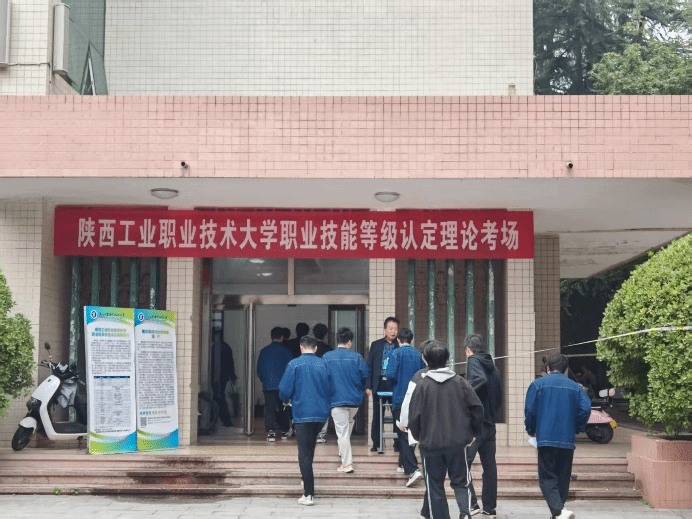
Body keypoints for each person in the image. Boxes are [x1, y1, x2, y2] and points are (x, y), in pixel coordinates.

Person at [407, 340, 484, 519]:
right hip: (457, 444)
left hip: (430, 445)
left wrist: (419, 436)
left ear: (425, 359)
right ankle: (465, 513)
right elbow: (477, 408)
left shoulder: (422, 385)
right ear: (447, 359)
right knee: (461, 482)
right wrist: (473, 433)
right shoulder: (460, 382)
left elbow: (414, 416)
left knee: (434, 486)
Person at [524, 353, 591, 519]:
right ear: (565, 369)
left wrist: (531, 429)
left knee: (547, 478)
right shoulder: (576, 387)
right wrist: (577, 426)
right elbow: (586, 409)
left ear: (548, 368)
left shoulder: (537, 385)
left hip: (546, 439)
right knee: (563, 477)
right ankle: (559, 512)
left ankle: (558, 511)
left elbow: (530, 410)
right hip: (567, 440)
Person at [279, 334, 332, 507]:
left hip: (302, 414)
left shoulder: (294, 364)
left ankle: (308, 494)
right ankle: (306, 479)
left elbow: (284, 390)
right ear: (315, 348)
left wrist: (286, 400)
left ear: (301, 348)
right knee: (310, 449)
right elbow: (330, 388)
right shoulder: (323, 364)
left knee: (304, 453)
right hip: (321, 414)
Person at [464, 333, 503, 518]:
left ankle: (472, 504)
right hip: (490, 424)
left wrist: (463, 393)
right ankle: (490, 507)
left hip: (475, 425)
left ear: (468, 350)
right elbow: (498, 395)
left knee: (463, 465)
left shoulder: (473, 361)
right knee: (489, 466)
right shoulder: (493, 367)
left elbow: (479, 380)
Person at [322, 327, 368, 473]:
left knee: (342, 431)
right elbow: (365, 376)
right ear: (349, 341)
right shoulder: (357, 357)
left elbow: (322, 378)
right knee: (348, 423)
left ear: (337, 340)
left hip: (336, 399)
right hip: (354, 400)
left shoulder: (327, 357)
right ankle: (343, 449)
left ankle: (347, 464)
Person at [386, 327, 425, 487]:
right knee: (412, 431)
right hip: (416, 399)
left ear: (398, 340)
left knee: (402, 433)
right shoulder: (418, 355)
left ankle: (412, 469)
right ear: (412, 340)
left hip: (400, 398)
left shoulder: (395, 354)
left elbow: (390, 375)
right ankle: (402, 463)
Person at [365, 316, 400, 452]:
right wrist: (368, 386)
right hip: (379, 383)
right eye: (390, 328)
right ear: (385, 329)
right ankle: (377, 443)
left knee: (397, 414)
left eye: (395, 329)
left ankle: (398, 443)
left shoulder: (399, 345)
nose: (393, 331)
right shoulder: (376, 345)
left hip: (395, 384)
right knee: (377, 415)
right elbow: (370, 366)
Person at [256, 326, 294, 441]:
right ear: (282, 338)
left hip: (268, 385)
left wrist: (264, 380)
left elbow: (259, 370)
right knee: (284, 408)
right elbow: (291, 370)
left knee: (269, 408)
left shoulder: (264, 351)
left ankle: (270, 432)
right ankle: (284, 431)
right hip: (283, 386)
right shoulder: (287, 351)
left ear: (271, 337)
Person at [312, 323, 333, 442]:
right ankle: (321, 433)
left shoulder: (310, 348)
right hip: (324, 382)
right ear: (325, 334)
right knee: (324, 407)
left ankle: (312, 431)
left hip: (311, 381)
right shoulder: (328, 350)